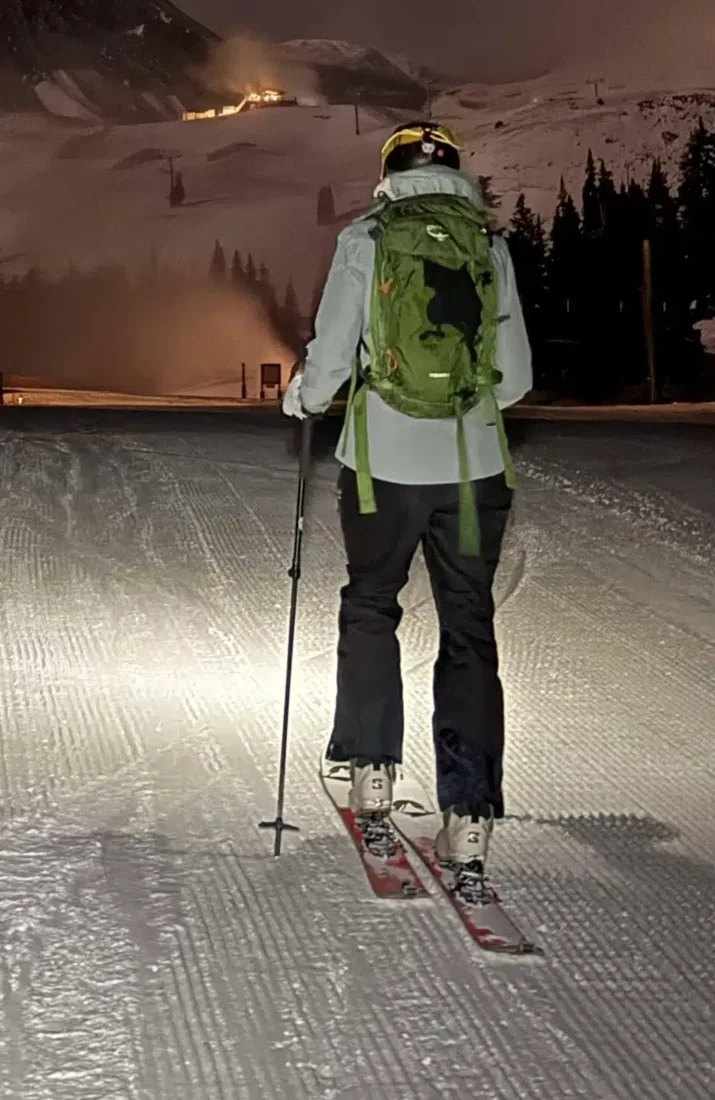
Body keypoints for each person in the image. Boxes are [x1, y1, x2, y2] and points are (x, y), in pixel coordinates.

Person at [283, 121, 533, 899]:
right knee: (469, 627)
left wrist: (305, 398)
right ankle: (468, 814)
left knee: (370, 604)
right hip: (472, 471)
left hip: (382, 467)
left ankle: (371, 772)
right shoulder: (488, 246)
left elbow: (331, 355)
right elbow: (516, 378)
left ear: (386, 173)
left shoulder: (367, 239)